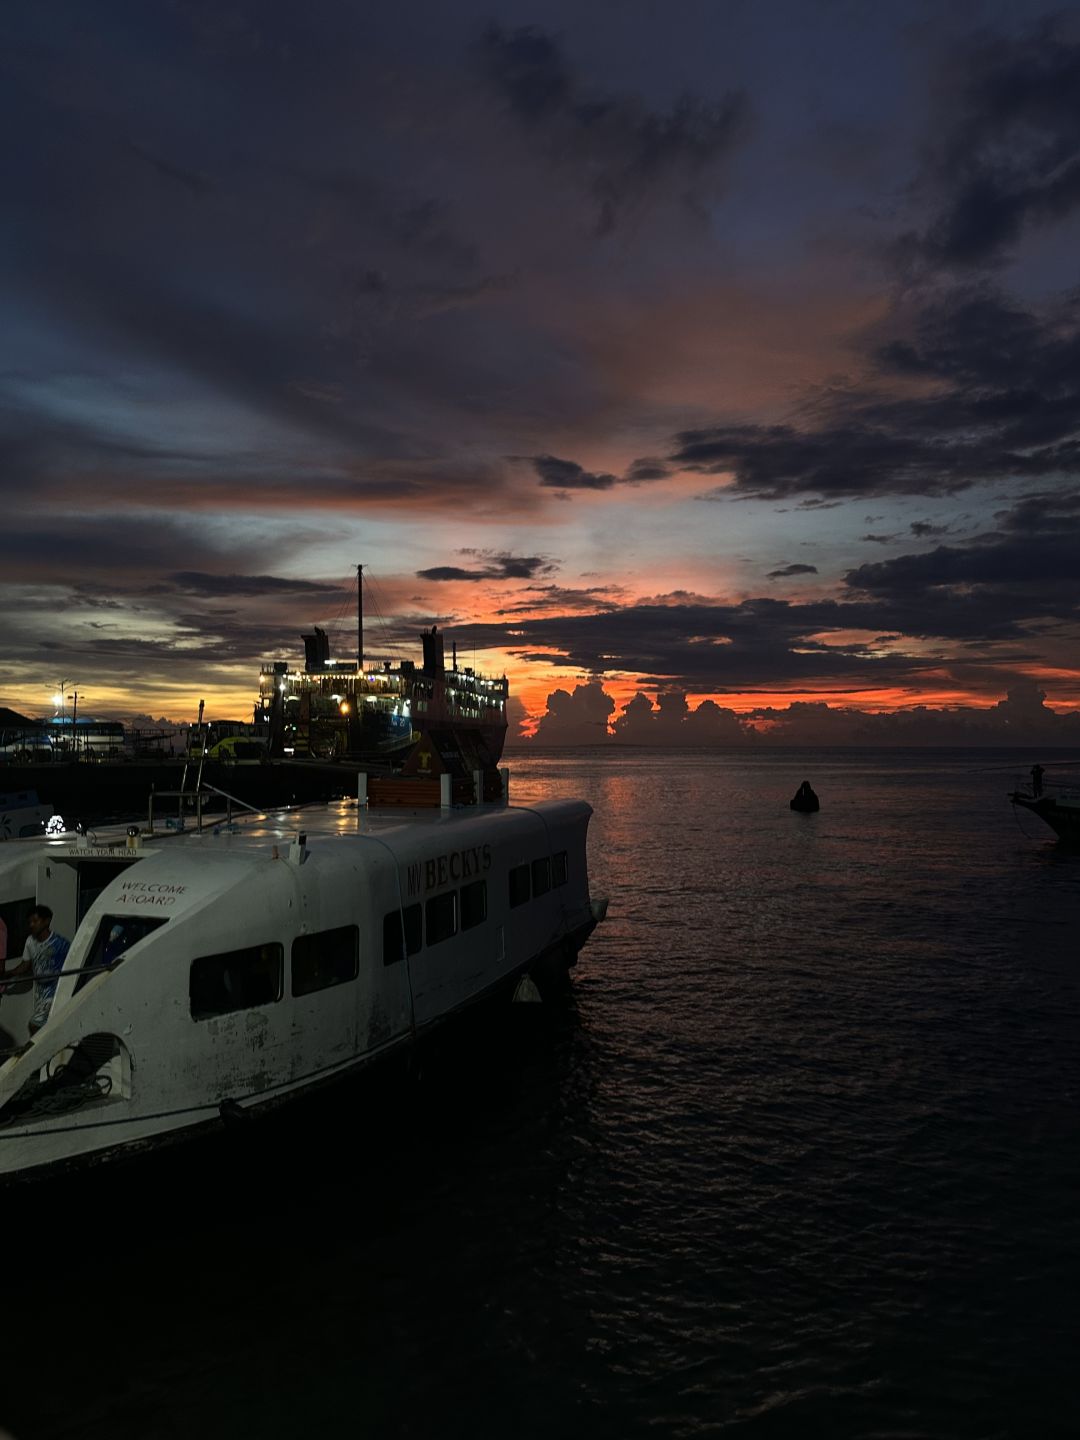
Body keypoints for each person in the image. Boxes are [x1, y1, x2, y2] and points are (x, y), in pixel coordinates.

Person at [0, 904, 71, 1035]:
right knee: (47, 1030)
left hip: (55, 993)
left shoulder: (61, 944)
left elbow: (73, 964)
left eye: (35, 921)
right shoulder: (30, 942)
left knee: (34, 1025)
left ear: (46, 921)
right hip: (40, 994)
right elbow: (25, 965)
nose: (31, 925)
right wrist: (9, 973)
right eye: (29, 922)